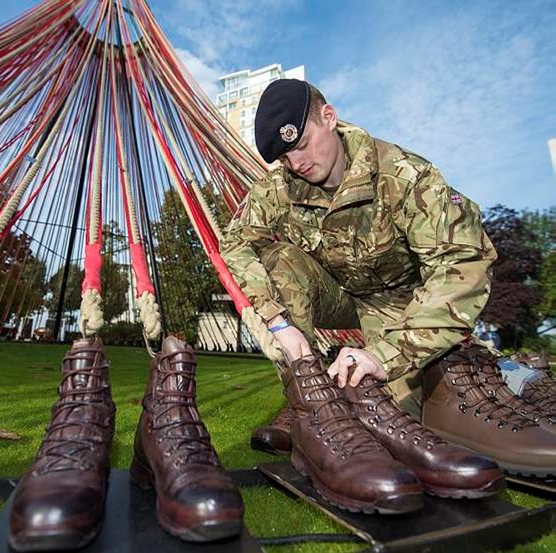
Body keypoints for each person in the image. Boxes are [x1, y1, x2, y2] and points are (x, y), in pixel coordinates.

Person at [223, 79, 556, 482]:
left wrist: (384, 355)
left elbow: (461, 263)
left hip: (408, 302)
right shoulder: (281, 186)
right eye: (284, 157)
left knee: (407, 414)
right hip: (343, 295)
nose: (297, 163)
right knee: (278, 259)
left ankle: (512, 373)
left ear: (329, 118)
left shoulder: (404, 175)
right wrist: (280, 323)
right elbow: (235, 243)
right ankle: (308, 402)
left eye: (302, 144)